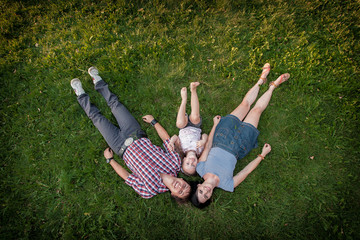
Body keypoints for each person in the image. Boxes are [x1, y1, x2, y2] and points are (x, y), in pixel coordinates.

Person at [70, 67, 191, 200]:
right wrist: (154, 122)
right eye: (184, 186)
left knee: (97, 119)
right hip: (135, 133)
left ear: (174, 195)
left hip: (119, 145)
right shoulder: (175, 163)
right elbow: (167, 140)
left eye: (180, 192)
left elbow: (127, 177)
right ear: (184, 180)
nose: (180, 187)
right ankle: (97, 81)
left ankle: (80, 94)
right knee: (115, 105)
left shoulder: (150, 190)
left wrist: (110, 160)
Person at [191, 63, 290, 208]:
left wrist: (215, 125)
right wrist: (262, 155)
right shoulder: (227, 185)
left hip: (221, 137)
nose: (206, 191)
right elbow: (246, 171)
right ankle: (272, 86)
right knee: (256, 111)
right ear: (211, 197)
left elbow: (208, 146)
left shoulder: (200, 169)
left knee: (245, 105)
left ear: (198, 186)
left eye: (201, 191)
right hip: (240, 145)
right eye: (207, 196)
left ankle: (261, 79)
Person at [173, 82, 208, 176]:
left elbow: (175, 137)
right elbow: (205, 135)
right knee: (195, 117)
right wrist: (204, 141)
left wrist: (171, 142)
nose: (191, 162)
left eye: (187, 163)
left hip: (183, 126)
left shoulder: (181, 149)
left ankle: (184, 100)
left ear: (183, 159)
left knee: (179, 123)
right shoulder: (199, 150)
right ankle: (193, 90)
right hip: (195, 126)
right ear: (197, 163)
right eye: (193, 165)